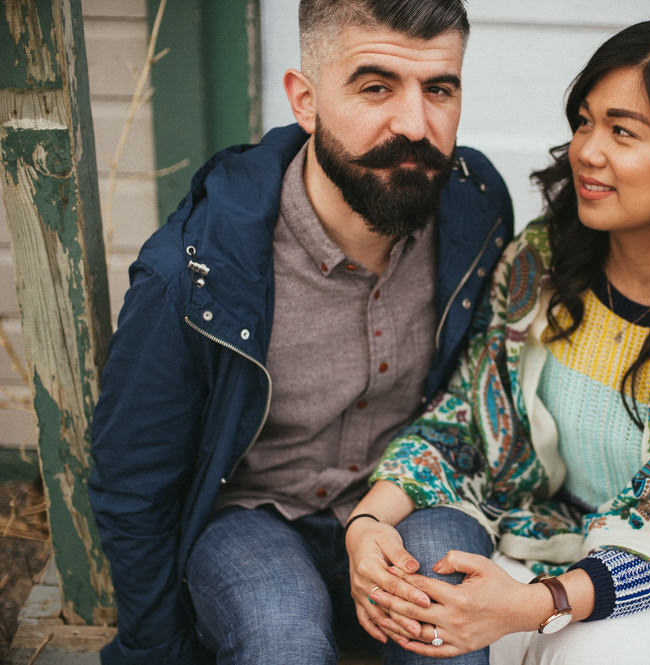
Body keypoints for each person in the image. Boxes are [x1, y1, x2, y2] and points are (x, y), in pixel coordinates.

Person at [345, 19, 650, 665]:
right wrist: (367, 523)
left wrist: (533, 604)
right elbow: (466, 419)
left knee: (595, 655)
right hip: (566, 539)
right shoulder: (542, 262)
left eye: (622, 131)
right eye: (584, 121)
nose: (586, 151)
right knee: (434, 615)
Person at [87, 1, 513, 664]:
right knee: (280, 630)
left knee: (443, 621)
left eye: (439, 89)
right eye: (376, 87)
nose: (414, 123)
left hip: (409, 499)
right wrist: (155, 650)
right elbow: (132, 479)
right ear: (306, 101)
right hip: (255, 516)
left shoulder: (476, 204)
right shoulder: (196, 269)